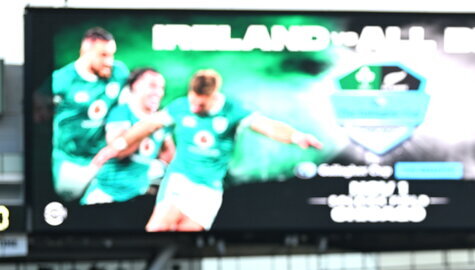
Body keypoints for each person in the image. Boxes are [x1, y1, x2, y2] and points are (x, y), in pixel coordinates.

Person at [93, 69, 322, 232]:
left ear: (213, 97)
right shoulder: (181, 107)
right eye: (193, 100)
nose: (194, 107)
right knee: (158, 228)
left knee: (185, 241)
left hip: (208, 189)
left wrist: (295, 136)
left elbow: (267, 126)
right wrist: (117, 146)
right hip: (180, 179)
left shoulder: (233, 111)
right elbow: (148, 125)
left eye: (200, 104)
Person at [49, 27, 130, 200]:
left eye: (112, 54)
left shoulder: (119, 73)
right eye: (103, 55)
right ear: (86, 51)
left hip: (104, 161)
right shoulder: (61, 80)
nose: (110, 61)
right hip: (70, 162)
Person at [82, 67, 173, 205]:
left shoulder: (159, 120)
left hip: (137, 196)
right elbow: (119, 151)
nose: (158, 92)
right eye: (152, 86)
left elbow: (169, 155)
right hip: (106, 196)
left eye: (161, 88)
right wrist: (149, 126)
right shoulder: (122, 112)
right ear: (135, 85)